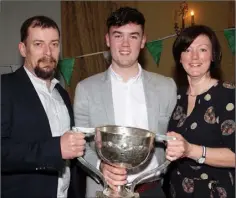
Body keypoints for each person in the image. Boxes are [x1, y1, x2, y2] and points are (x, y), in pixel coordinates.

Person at [73, 7, 177, 198]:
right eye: (118, 36)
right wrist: (100, 166)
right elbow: (80, 146)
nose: (125, 45)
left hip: (151, 191)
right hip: (103, 191)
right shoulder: (85, 89)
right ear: (107, 39)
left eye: (133, 36)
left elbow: (174, 138)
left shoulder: (167, 87)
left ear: (143, 40)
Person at [1, 15, 86, 198]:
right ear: (23, 49)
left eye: (54, 44)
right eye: (38, 44)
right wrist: (55, 149)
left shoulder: (61, 94)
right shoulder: (4, 87)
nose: (48, 52)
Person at [165, 25, 235, 198]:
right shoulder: (176, 95)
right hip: (177, 190)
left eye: (202, 49)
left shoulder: (229, 95)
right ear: (179, 58)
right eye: (187, 50)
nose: (194, 56)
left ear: (213, 56)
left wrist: (191, 151)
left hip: (217, 191)